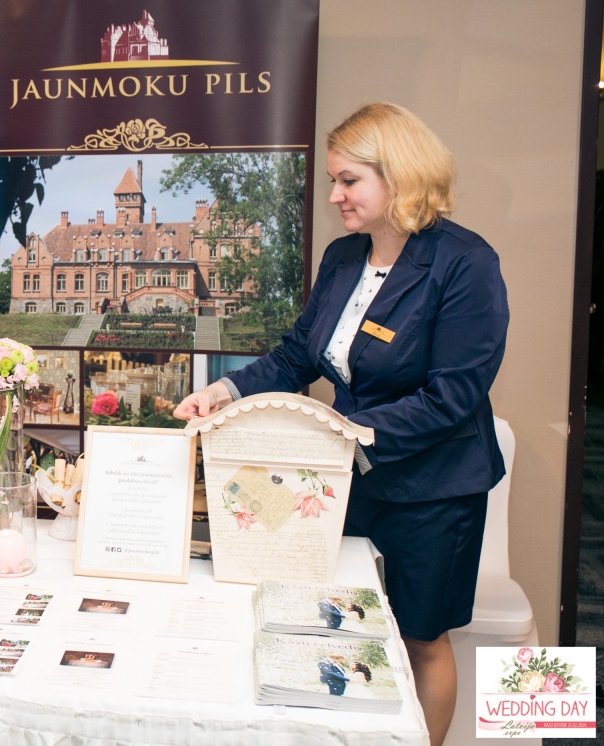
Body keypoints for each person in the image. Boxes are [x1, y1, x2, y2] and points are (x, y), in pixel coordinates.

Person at [176, 102, 508, 746]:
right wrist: (222, 389)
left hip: (433, 488)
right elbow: (297, 356)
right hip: (350, 475)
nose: (334, 196)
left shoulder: (465, 263)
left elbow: (453, 397)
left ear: (400, 176)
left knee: (420, 637)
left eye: (349, 180)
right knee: (331, 621)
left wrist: (342, 434)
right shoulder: (343, 257)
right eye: (335, 180)